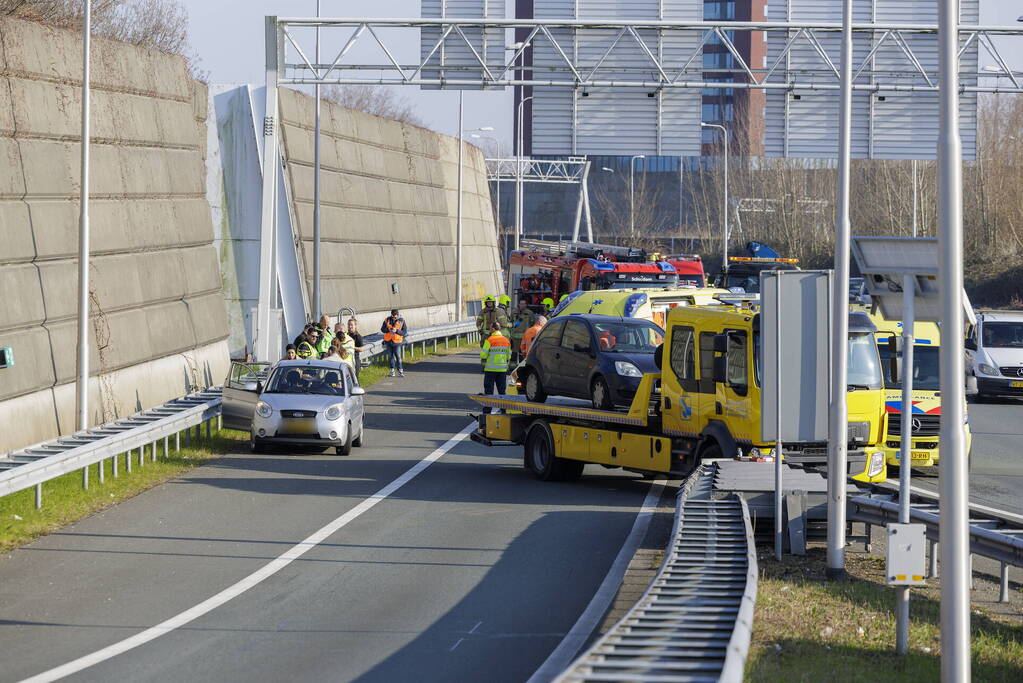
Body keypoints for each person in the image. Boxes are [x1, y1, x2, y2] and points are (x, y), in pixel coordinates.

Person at [479, 322, 511, 414]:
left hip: (491, 369)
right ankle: (504, 410)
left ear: (493, 329)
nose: (489, 329)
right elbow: (509, 356)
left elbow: (483, 355)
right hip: (502, 369)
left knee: (489, 391)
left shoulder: (490, 340)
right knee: (502, 391)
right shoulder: (506, 340)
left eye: (490, 328)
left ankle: (487, 411)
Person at [381, 309, 408, 377]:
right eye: (392, 316)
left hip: (397, 342)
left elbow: (404, 332)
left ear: (398, 315)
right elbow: (382, 329)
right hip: (388, 341)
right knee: (390, 357)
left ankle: (400, 371)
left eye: (395, 317)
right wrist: (388, 330)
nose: (394, 318)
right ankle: (392, 371)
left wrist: (396, 331)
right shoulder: (387, 320)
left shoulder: (401, 321)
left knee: (398, 356)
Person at [509, 299, 535, 365]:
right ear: (519, 304)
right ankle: (512, 366)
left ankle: (521, 366)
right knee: (514, 352)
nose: (522, 305)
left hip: (524, 336)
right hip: (514, 336)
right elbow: (510, 322)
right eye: (521, 304)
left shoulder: (530, 313)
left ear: (526, 305)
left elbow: (532, 324)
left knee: (522, 352)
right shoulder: (514, 312)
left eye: (524, 304)